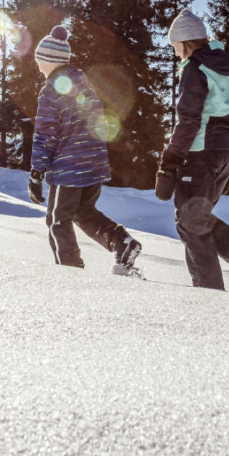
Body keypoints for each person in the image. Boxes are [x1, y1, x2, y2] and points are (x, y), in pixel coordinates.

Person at [155, 8, 229, 292]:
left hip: (201, 152)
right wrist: (224, 147)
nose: (175, 52)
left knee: (190, 222)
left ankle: (214, 291)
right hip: (225, 152)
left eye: (175, 46)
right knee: (194, 221)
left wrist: (169, 162)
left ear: (185, 41)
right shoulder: (228, 71)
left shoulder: (195, 68)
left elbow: (189, 120)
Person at [27, 25, 142, 274]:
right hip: (94, 163)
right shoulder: (83, 85)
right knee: (83, 211)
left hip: (69, 168)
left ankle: (70, 272)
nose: (37, 66)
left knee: (58, 220)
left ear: (49, 61)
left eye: (39, 60)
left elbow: (45, 134)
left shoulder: (50, 91)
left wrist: (36, 172)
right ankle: (122, 242)